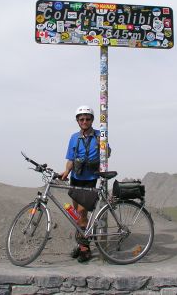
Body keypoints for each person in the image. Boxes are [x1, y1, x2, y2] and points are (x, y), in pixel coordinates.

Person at [61, 105, 100, 263]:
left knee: (83, 212)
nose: (84, 121)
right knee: (77, 214)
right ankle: (81, 242)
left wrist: (101, 144)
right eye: (81, 119)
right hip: (76, 177)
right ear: (77, 121)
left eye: (87, 119)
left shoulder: (99, 134)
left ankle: (85, 248)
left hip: (90, 178)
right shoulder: (74, 137)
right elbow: (71, 159)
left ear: (92, 120)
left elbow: (108, 153)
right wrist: (65, 173)